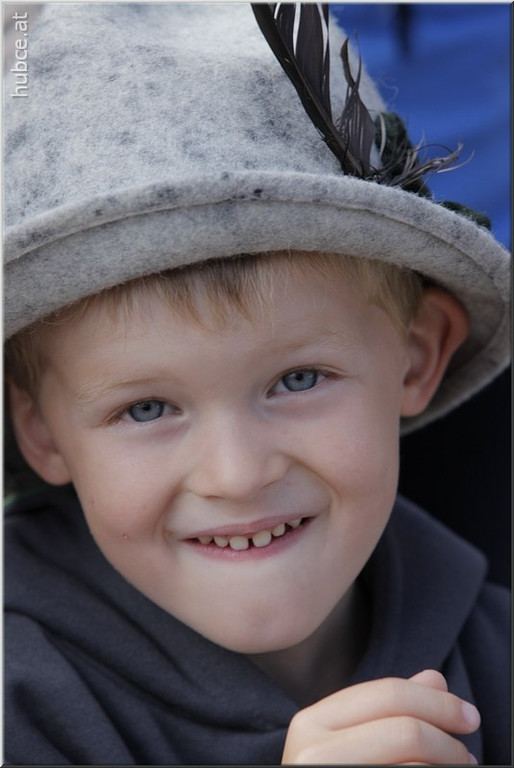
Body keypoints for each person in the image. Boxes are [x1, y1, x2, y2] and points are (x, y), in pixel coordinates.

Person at [3, 4, 510, 765]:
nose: (237, 475)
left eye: (297, 379)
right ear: (40, 429)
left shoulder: (496, 654)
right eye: (147, 408)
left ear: (414, 356)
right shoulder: (18, 709)